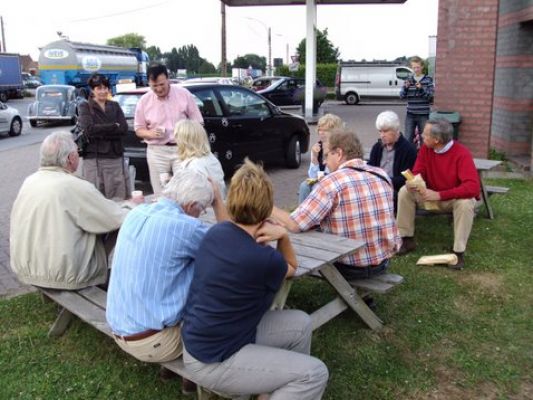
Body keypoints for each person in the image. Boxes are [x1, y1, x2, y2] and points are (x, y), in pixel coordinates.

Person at [181, 159, 329, 399]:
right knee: (314, 374)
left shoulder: (216, 233)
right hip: (214, 359)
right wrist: (283, 237)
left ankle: (273, 390)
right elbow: (292, 266)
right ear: (267, 207)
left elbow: (229, 228)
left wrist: (219, 202)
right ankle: (291, 385)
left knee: (301, 323)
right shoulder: (265, 260)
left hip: (206, 340)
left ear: (233, 200)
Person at [106, 169, 227, 393]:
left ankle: (172, 371)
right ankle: (195, 374)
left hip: (119, 327)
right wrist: (218, 202)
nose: (200, 215)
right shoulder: (186, 227)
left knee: (181, 265)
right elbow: (230, 247)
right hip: (152, 341)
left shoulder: (136, 212)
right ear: (191, 206)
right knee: (214, 272)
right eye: (201, 210)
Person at [273, 130, 401, 284]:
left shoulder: (332, 182)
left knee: (290, 236)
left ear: (339, 153)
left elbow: (295, 224)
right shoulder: (381, 174)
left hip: (350, 268)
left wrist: (267, 207)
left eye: (327, 155)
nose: (325, 161)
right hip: (382, 262)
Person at [10, 131, 129, 290]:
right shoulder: (73, 186)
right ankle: (113, 280)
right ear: (70, 158)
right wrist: (133, 206)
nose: (79, 155)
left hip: (29, 269)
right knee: (118, 226)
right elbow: (114, 217)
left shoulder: (30, 180)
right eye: (77, 152)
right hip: (67, 275)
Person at [396, 118, 480, 270]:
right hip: (428, 196)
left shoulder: (462, 153)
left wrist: (440, 195)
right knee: (404, 191)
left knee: (466, 203)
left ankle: (458, 252)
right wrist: (412, 182)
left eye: (425, 134)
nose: (421, 136)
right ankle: (406, 239)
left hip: (450, 199)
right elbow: (418, 171)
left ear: (437, 140)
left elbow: (473, 187)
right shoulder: (425, 149)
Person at [134, 63, 203, 195]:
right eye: (154, 86)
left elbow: (198, 122)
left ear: (168, 79)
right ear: (149, 83)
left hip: (182, 149)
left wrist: (189, 138)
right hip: (156, 151)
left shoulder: (184, 94)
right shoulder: (144, 101)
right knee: (160, 192)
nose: (159, 89)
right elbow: (138, 129)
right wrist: (151, 133)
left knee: (184, 190)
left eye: (162, 84)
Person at [78, 73, 130, 200]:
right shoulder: (85, 106)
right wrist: (113, 126)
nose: (103, 91)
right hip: (94, 159)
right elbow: (89, 130)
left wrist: (100, 130)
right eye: (99, 88)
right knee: (95, 196)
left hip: (115, 157)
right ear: (92, 90)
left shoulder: (115, 106)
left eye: (105, 88)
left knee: (118, 194)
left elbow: (123, 129)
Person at [368, 110, 417, 211]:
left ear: (396, 130)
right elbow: (370, 169)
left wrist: (385, 181)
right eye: (380, 131)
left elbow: (406, 178)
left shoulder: (408, 150)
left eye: (385, 131)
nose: (382, 135)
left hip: (396, 190)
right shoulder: (377, 147)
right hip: (376, 187)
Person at [171, 119, 226, 197]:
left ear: (184, 141)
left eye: (177, 137)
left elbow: (194, 198)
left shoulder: (193, 166)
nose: (175, 140)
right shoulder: (210, 157)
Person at [298, 113, 344, 203]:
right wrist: (314, 158)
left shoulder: (340, 148)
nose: (321, 133)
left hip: (336, 182)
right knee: (304, 185)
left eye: (325, 130)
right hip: (321, 182)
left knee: (318, 188)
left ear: (335, 132)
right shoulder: (318, 147)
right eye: (320, 130)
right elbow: (312, 176)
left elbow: (341, 172)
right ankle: (302, 211)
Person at [400, 56, 434, 145]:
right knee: (408, 139)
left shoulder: (428, 79)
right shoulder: (408, 79)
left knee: (425, 139)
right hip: (410, 114)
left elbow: (430, 97)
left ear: (422, 66)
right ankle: (410, 154)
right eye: (414, 67)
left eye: (417, 67)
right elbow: (402, 96)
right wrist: (405, 88)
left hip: (423, 114)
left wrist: (421, 89)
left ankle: (423, 154)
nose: (416, 70)